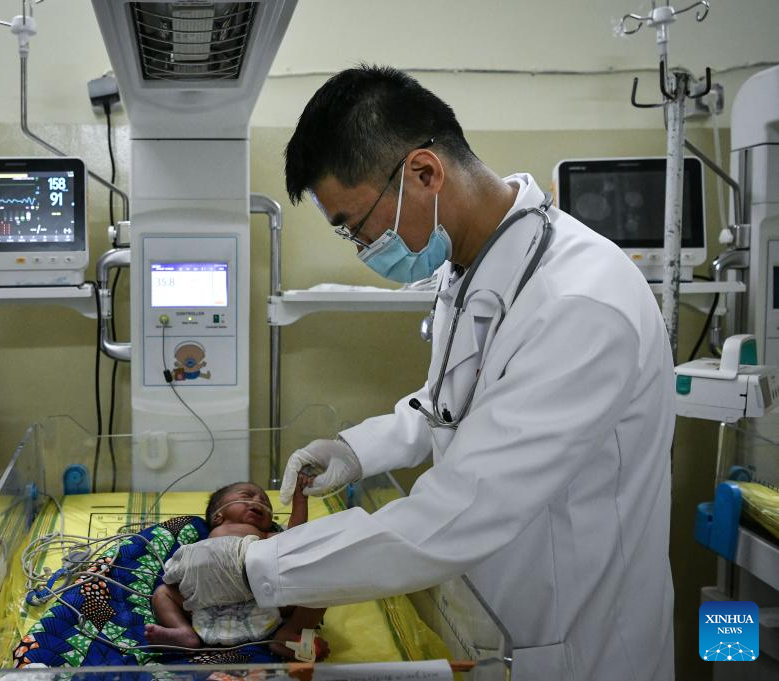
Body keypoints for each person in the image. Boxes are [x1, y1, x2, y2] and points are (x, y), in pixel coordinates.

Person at [163, 65, 676, 681]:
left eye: (356, 226)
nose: (363, 248)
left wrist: (254, 567)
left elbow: (465, 506)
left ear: (425, 173)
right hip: (494, 617)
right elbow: (453, 401)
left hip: (577, 644)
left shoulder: (581, 303)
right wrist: (356, 450)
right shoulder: (469, 269)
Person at [150, 479, 328, 660]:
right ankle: (184, 631)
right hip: (206, 602)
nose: (259, 501)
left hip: (258, 598)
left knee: (322, 585)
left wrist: (300, 500)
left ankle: (290, 632)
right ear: (218, 516)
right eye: (247, 495)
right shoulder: (205, 539)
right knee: (162, 593)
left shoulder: (264, 535)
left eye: (266, 503)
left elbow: (294, 539)